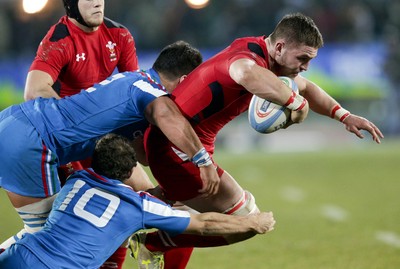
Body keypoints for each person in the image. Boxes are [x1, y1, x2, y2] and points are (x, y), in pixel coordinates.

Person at [132, 12, 384, 268]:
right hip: (178, 149)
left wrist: (344, 115)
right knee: (248, 221)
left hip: (181, 145)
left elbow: (305, 87)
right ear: (280, 47)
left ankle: (155, 238)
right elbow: (243, 71)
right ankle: (152, 243)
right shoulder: (249, 60)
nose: (305, 66)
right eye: (303, 58)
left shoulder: (264, 54)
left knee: (189, 218)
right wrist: (294, 103)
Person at [0, 41, 219, 267]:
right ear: (184, 81)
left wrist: (161, 189)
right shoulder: (149, 90)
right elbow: (165, 114)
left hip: (15, 123)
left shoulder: (134, 83)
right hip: (33, 139)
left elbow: (142, 156)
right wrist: (202, 160)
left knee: (49, 236)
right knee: (51, 240)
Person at [0, 133, 276, 269]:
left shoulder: (77, 180)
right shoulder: (138, 206)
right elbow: (202, 224)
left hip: (19, 255)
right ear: (130, 170)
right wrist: (253, 222)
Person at [22, 2, 142, 267]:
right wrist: (80, 122)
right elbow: (34, 90)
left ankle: (148, 248)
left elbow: (135, 91)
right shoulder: (60, 39)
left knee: (147, 196)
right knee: (60, 233)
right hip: (62, 144)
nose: (98, 1)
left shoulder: (119, 35)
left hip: (100, 139)